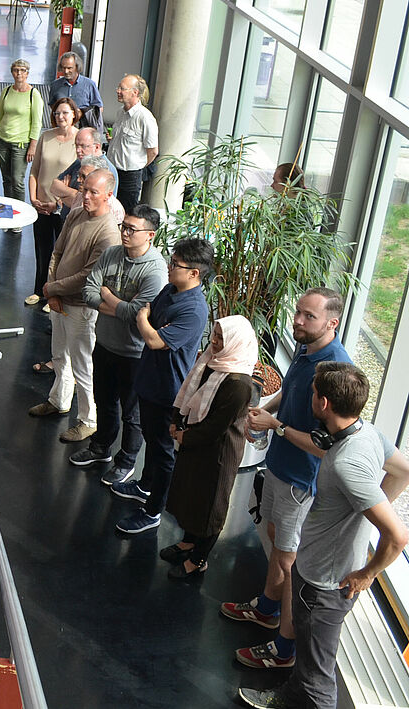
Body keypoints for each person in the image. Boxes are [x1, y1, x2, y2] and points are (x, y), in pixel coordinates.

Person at [239, 363, 409, 709]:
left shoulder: (347, 462)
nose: (311, 398)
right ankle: (290, 694)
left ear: (324, 404)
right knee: (309, 664)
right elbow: (404, 471)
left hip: (323, 585)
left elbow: (397, 536)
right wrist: (362, 512)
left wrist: (366, 574)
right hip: (317, 570)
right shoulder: (369, 434)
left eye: (314, 393)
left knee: (318, 680)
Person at [223, 288, 350, 671]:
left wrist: (275, 426)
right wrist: (262, 409)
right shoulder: (306, 349)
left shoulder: (336, 371)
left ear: (332, 323)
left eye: (308, 316)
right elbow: (290, 392)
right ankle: (266, 608)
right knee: (278, 545)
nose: (297, 320)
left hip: (301, 482)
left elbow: (325, 447)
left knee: (289, 562)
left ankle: (283, 649)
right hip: (280, 469)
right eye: (298, 312)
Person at [113, 237, 212, 535]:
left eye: (176, 264)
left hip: (169, 389)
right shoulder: (171, 289)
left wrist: (145, 320)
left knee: (163, 450)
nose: (169, 267)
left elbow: (154, 338)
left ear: (194, 273)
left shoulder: (194, 310)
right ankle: (144, 485)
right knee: (150, 438)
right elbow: (152, 322)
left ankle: (153, 510)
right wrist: (150, 323)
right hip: (149, 379)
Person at [68, 205, 167, 482]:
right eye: (123, 226)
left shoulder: (155, 271)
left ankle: (127, 461)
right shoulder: (112, 253)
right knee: (104, 401)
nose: (124, 232)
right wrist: (121, 307)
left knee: (132, 414)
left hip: (134, 354)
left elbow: (139, 315)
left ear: (150, 235)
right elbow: (89, 291)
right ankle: (101, 447)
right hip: (105, 344)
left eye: (132, 229)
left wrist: (109, 299)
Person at [26, 169, 119, 443]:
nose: (85, 196)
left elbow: (87, 278)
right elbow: (57, 252)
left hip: (81, 308)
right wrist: (52, 290)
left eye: (93, 192)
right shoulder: (77, 213)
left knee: (82, 365)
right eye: (84, 189)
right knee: (59, 356)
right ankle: (58, 400)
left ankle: (89, 420)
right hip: (59, 300)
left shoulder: (108, 233)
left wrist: (52, 289)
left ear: (108, 196)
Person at [164, 316, 260, 580]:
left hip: (219, 453)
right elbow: (190, 393)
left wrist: (183, 436)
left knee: (210, 506)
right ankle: (188, 542)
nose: (214, 342)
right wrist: (177, 421)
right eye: (214, 335)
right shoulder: (212, 361)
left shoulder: (240, 384)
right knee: (191, 495)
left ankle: (199, 559)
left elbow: (215, 428)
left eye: (221, 338)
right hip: (197, 442)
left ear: (235, 342)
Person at [25, 99, 79, 309]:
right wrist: (33, 198)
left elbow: (76, 181)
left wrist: (57, 203)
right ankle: (40, 290)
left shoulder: (78, 140)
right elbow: (35, 171)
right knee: (42, 249)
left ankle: (55, 294)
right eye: (57, 113)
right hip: (41, 205)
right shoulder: (46, 136)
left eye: (65, 113)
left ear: (74, 114)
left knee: (62, 253)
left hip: (63, 208)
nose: (60, 117)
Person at [0, 58, 43, 205]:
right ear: (12, 72)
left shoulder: (34, 95)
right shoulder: (6, 91)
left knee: (17, 180)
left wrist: (32, 146)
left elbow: (37, 123)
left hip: (21, 144)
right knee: (6, 179)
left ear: (27, 73)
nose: (19, 73)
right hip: (3, 140)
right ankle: (8, 209)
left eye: (22, 70)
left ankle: (19, 213)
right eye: (16, 70)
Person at [105, 74, 158, 215]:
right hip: (112, 172)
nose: (118, 91)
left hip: (130, 176)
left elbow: (153, 151)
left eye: (122, 88)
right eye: (118, 88)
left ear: (135, 92)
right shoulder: (120, 113)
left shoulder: (145, 117)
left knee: (125, 215)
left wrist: (138, 166)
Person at [52, 127, 118, 211]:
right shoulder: (80, 162)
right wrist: (75, 194)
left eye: (83, 146)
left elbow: (90, 204)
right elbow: (54, 186)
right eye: (76, 146)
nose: (78, 150)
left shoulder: (106, 170)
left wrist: (63, 194)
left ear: (97, 147)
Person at [50, 52, 105, 134]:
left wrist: (82, 113)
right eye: (63, 68)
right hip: (62, 130)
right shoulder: (55, 85)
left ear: (77, 67)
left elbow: (99, 108)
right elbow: (52, 105)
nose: (65, 71)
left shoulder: (89, 84)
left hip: (83, 130)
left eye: (69, 68)